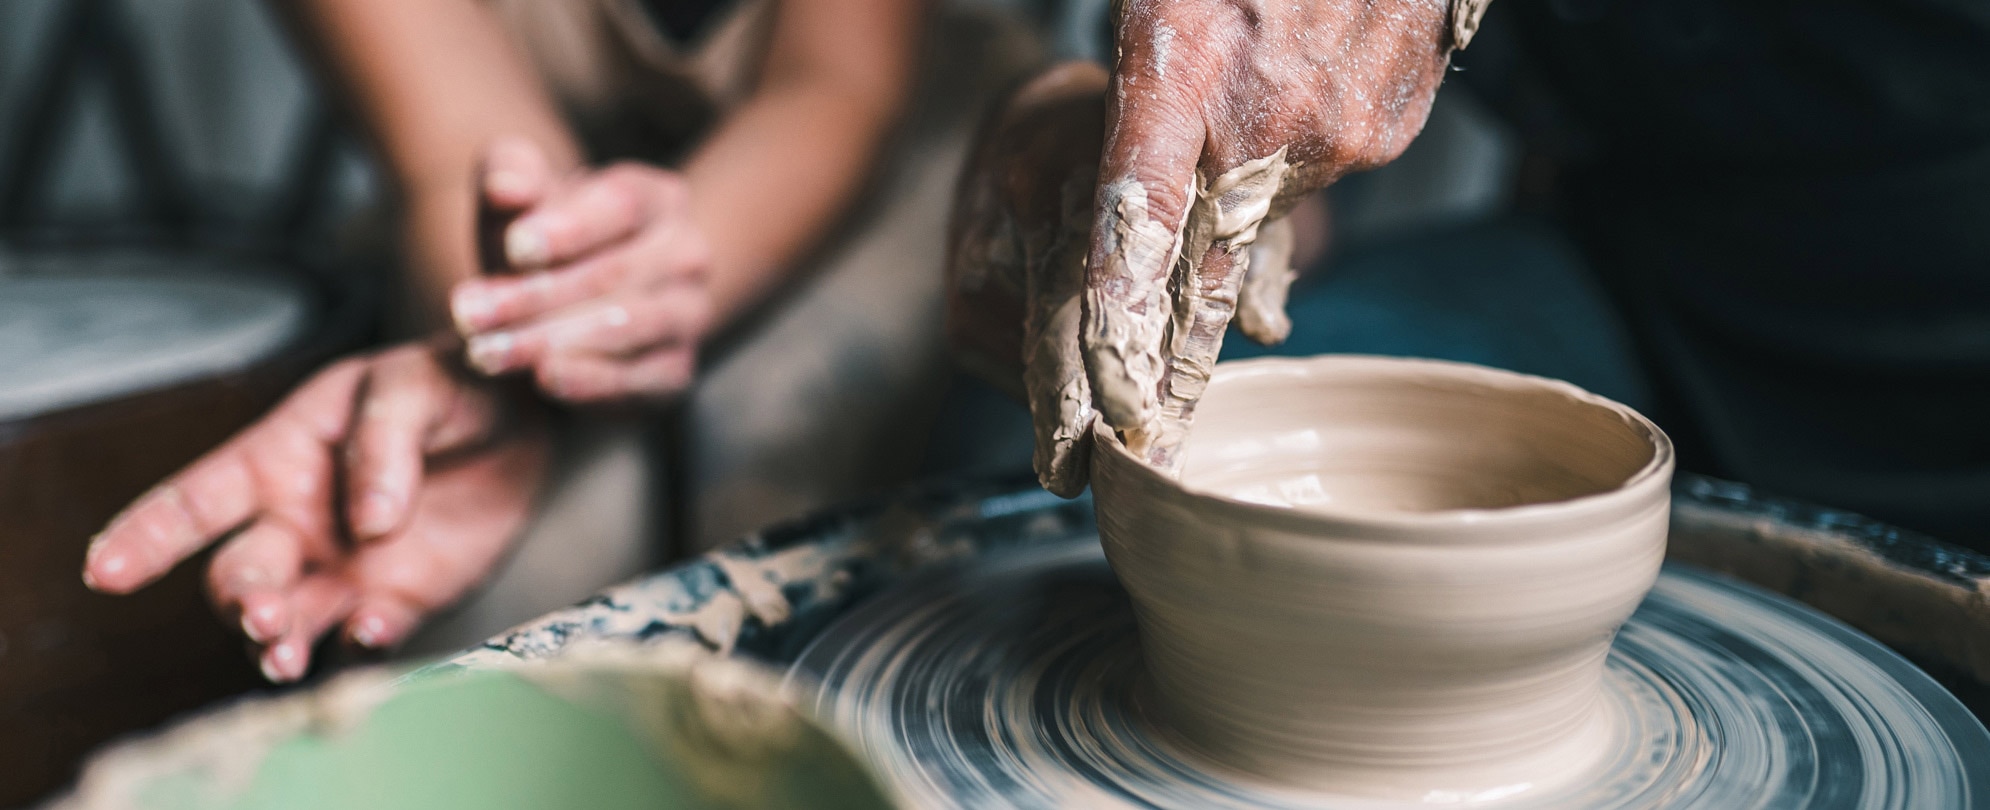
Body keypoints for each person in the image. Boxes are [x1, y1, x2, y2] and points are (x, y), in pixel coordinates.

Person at [81, 0, 921, 683]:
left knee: (779, 456)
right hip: (508, 157)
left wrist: (643, 304)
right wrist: (504, 354)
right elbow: (462, 148)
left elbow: (834, 84)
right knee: (524, 571)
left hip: (861, 115)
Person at [948, 0, 1990, 550]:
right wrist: (1135, 165)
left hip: (1948, 334)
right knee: (1095, 458)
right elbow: (1301, 110)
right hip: (1644, 263)